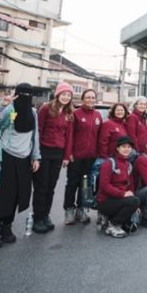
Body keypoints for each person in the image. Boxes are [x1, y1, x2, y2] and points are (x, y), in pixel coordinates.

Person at [0, 83, 41, 249]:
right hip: (3, 159)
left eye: (29, 94)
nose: (25, 98)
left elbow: (36, 136)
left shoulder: (33, 113)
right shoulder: (8, 109)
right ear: (16, 94)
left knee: (14, 197)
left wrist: (36, 157)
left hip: (24, 160)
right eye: (22, 94)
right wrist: (2, 104)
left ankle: (6, 227)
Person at [32, 82, 74, 234]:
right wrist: (35, 154)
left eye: (69, 95)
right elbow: (38, 131)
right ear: (58, 94)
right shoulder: (45, 109)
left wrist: (66, 157)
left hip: (58, 154)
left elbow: (69, 137)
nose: (66, 97)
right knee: (41, 187)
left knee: (51, 187)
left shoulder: (69, 113)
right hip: (44, 151)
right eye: (63, 94)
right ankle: (37, 218)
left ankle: (45, 215)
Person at [63, 89, 102, 225]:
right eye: (88, 97)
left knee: (84, 184)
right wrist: (69, 154)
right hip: (76, 157)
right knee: (72, 183)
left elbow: (99, 137)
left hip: (90, 157)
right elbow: (69, 136)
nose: (91, 100)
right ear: (83, 99)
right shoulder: (76, 114)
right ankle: (69, 210)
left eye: (93, 97)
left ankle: (81, 209)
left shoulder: (97, 115)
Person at [96, 136, 141, 238]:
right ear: (117, 148)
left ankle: (107, 218)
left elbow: (131, 186)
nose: (127, 149)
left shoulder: (128, 164)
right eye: (123, 146)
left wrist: (135, 206)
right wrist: (123, 194)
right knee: (134, 201)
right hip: (105, 201)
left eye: (129, 147)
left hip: (119, 200)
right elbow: (104, 186)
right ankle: (112, 225)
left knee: (131, 226)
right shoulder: (109, 163)